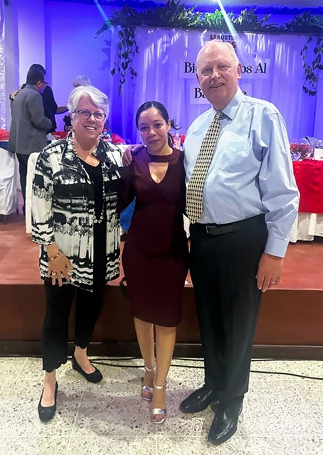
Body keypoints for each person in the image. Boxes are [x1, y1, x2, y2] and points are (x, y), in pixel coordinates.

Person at [179, 40, 299, 445]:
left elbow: (284, 193)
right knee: (209, 320)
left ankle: (232, 399)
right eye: (206, 71)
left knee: (239, 324)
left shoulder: (263, 116)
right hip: (203, 239)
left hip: (244, 240)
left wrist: (274, 252)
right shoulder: (197, 127)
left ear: (238, 70)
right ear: (198, 80)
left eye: (221, 67)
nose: (214, 76)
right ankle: (214, 384)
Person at [31, 85, 123, 422]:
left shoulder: (113, 155)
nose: (92, 118)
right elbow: (39, 209)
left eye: (98, 113)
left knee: (91, 307)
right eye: (84, 112)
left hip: (102, 253)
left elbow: (127, 199)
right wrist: (51, 251)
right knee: (55, 316)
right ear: (71, 116)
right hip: (63, 257)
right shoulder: (51, 156)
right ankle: (50, 380)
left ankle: (81, 354)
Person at [117, 101, 188, 424]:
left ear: (169, 124)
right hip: (139, 253)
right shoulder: (133, 161)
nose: (151, 132)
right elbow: (121, 207)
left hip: (173, 253)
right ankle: (148, 369)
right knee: (143, 315)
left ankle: (160, 385)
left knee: (168, 320)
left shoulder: (184, 161)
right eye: (144, 127)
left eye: (157, 124)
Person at [8, 67, 52, 213]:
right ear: (39, 82)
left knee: (25, 176)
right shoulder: (34, 95)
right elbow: (38, 120)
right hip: (32, 144)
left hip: (19, 144)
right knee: (36, 178)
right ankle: (36, 210)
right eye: (44, 83)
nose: (45, 86)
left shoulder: (18, 94)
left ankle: (28, 206)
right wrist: (51, 123)